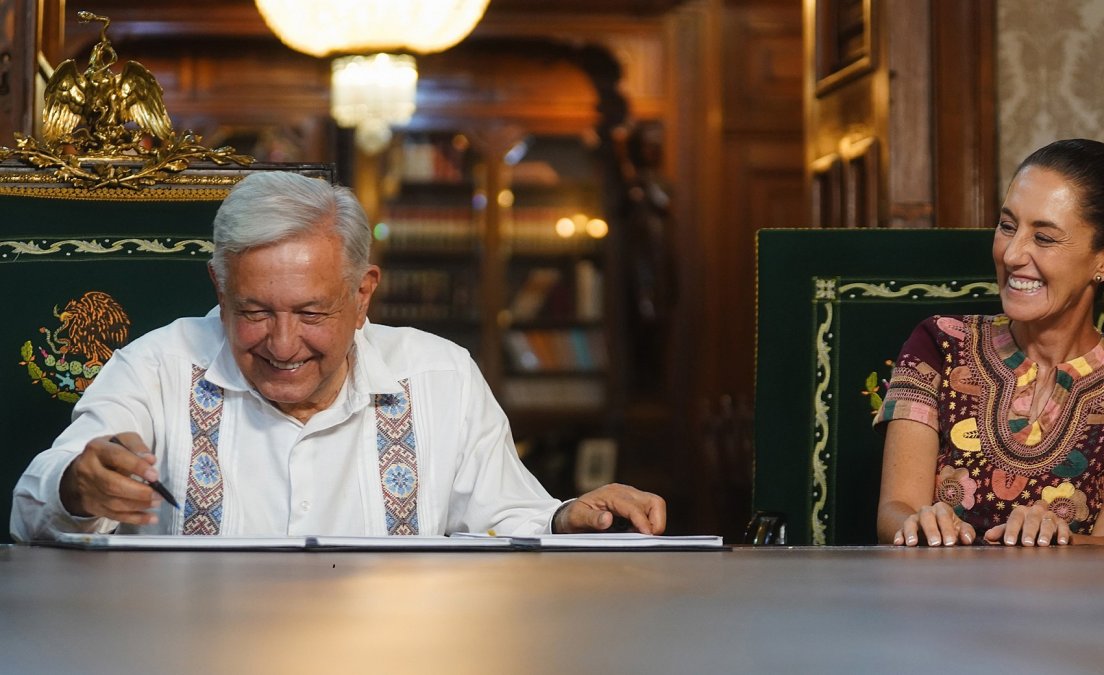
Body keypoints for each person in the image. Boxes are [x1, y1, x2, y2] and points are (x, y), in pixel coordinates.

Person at [11, 171, 666, 541]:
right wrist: (78, 485)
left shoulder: (440, 376)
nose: (284, 343)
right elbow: (29, 511)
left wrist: (567, 515)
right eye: (256, 311)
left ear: (363, 293)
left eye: (312, 313)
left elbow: (502, 517)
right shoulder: (153, 367)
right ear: (220, 287)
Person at [875, 138, 1104, 547]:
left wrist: (1058, 539)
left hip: (1071, 610)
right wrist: (917, 523)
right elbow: (895, 508)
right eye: (1007, 226)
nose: (1013, 253)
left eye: (1045, 238)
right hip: (935, 602)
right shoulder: (938, 344)